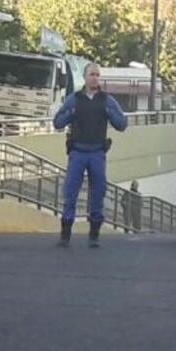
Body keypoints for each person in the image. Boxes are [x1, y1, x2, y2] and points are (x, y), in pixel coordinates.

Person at [52, 63, 128, 248]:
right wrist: (70, 113)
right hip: (78, 151)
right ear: (85, 77)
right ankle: (65, 233)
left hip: (97, 152)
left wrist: (109, 113)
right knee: (70, 193)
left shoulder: (106, 100)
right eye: (92, 74)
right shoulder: (74, 99)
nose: (95, 78)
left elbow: (122, 124)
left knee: (97, 193)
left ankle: (94, 234)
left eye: (97, 75)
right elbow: (58, 122)